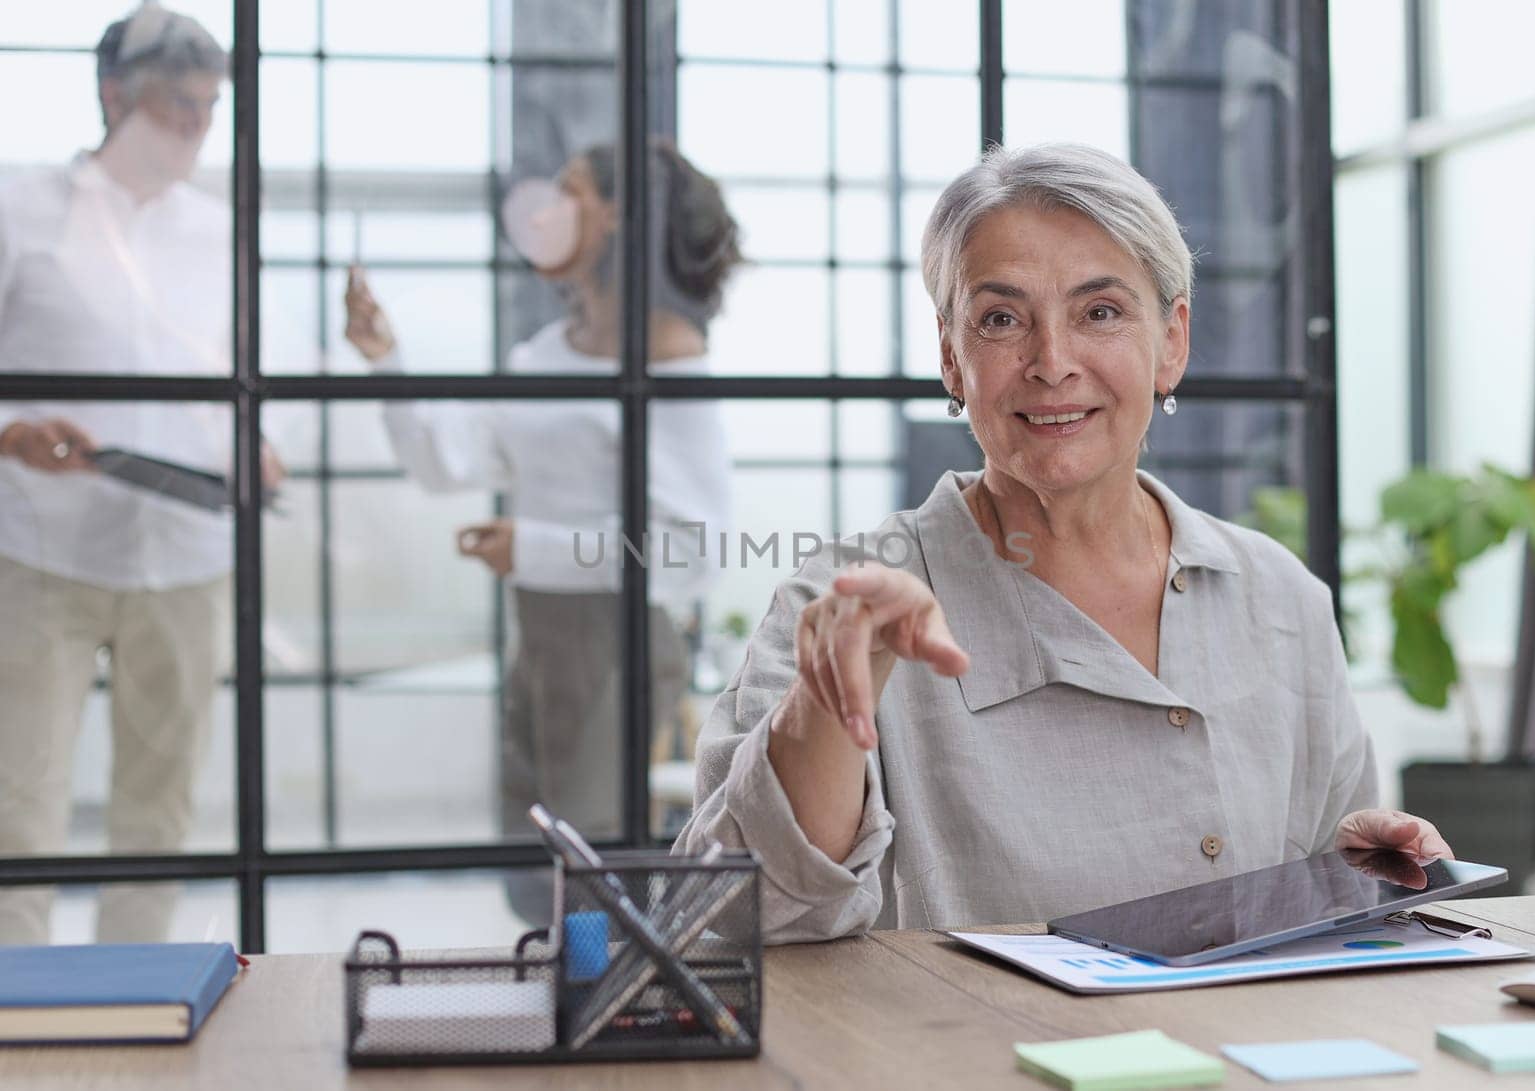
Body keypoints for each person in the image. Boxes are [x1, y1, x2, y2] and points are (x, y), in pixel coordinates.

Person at [674, 143, 1453, 943]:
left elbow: (1327, 900)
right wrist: (829, 707)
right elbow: (734, 910)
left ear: (1172, 340)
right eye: (1002, 319)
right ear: (952, 355)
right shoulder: (845, 595)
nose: (1052, 363)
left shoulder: (1278, 593)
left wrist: (1366, 874)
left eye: (1101, 312)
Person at [343, 139, 739, 921]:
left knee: (593, 870)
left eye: (571, 190)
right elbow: (444, 460)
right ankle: (568, 1015)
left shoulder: (673, 365)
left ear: (622, 218)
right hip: (539, 639)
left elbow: (690, 550)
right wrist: (386, 360)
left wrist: (532, 546)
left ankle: (608, 1022)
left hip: (617, 647)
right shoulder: (544, 353)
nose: (545, 210)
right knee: (535, 869)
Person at [0, 3, 282, 944]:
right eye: (177, 103)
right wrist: (14, 432)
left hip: (186, 555)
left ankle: (133, 994)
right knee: (19, 797)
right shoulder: (20, 206)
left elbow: (238, 380)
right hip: (42, 552)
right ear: (115, 97)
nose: (199, 123)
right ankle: (15, 1008)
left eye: (209, 104)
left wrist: (259, 446)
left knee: (158, 809)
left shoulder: (218, 230)